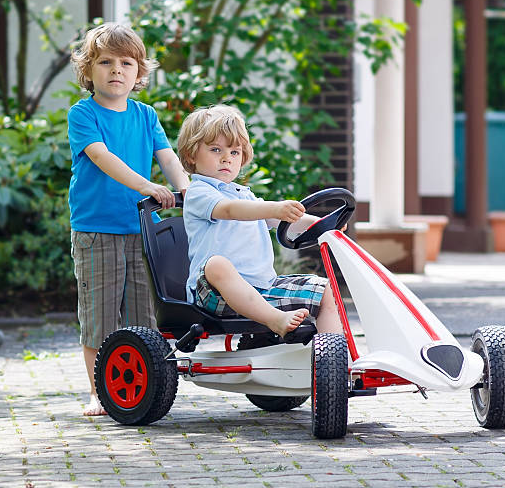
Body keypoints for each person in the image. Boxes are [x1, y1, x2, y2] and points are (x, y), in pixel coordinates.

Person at [68, 23, 190, 417]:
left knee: (143, 318)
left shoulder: (146, 115)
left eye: (126, 62)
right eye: (105, 62)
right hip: (96, 230)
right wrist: (149, 187)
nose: (116, 69)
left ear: (139, 72)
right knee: (100, 317)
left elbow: (168, 157)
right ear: (88, 71)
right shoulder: (82, 114)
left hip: (142, 232)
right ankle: (98, 392)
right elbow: (104, 159)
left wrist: (188, 189)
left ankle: (145, 392)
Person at [177, 104, 343, 339]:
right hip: (213, 293)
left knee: (325, 289)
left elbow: (280, 219)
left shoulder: (243, 194)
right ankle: (276, 320)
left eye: (234, 152)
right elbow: (229, 210)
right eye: (216, 150)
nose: (227, 158)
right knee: (217, 264)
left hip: (263, 288)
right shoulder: (199, 191)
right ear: (191, 155)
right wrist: (275, 206)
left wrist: (323, 223)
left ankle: (333, 357)